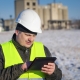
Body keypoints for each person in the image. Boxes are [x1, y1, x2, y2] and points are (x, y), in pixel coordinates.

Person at [0, 9, 62, 80]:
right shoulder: (2, 50)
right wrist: (21, 68)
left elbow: (58, 77)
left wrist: (53, 72)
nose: (31, 39)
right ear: (17, 32)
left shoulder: (42, 49)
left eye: (34, 35)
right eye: (27, 35)